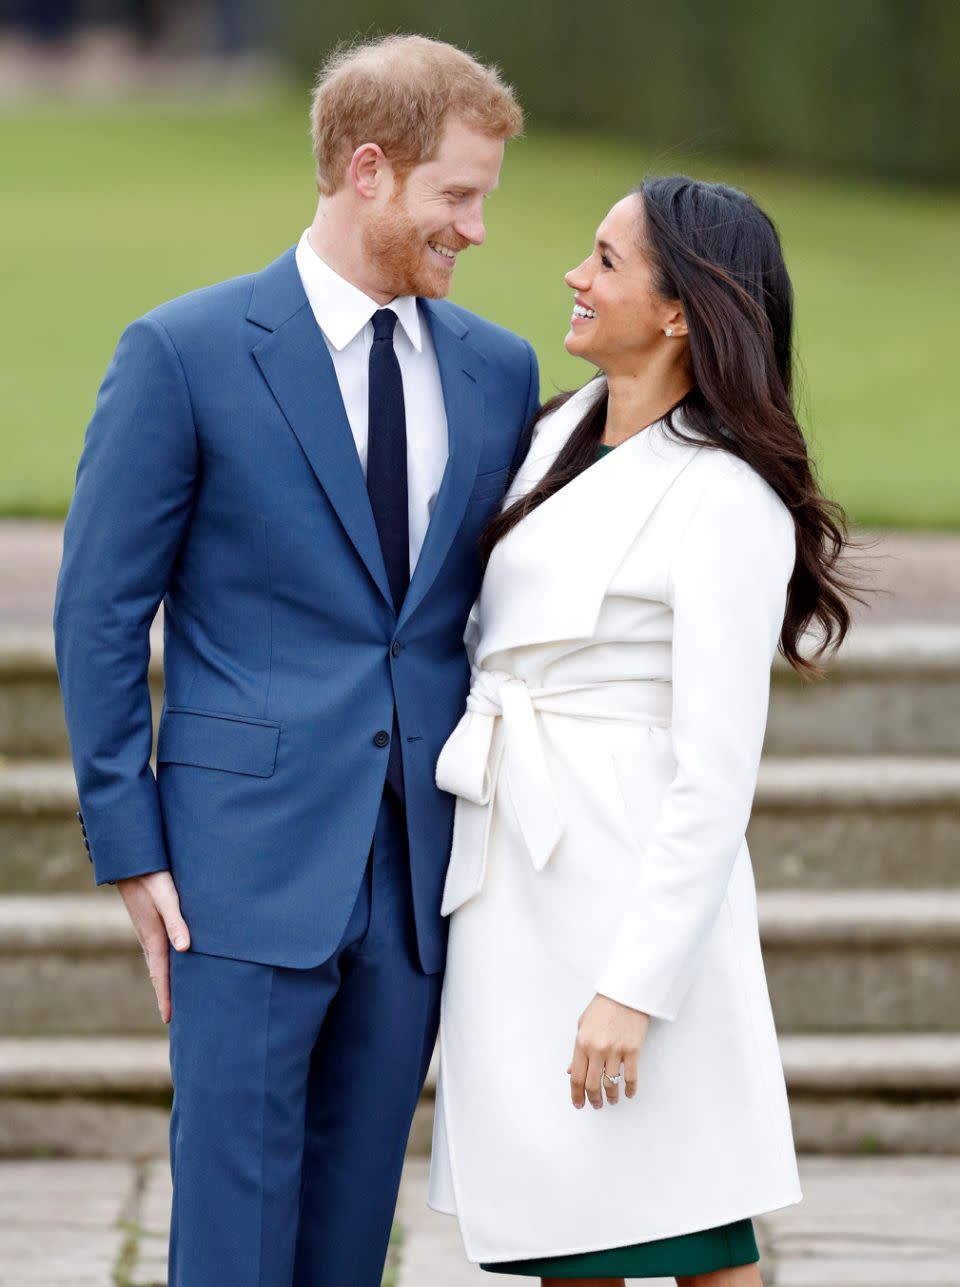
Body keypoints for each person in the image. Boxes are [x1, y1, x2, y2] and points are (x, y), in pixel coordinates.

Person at [53, 34, 537, 1287]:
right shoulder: (185, 352)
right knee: (231, 1221)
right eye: (459, 195)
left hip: (416, 865)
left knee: (352, 1227)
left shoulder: (498, 370)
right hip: (236, 861)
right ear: (368, 171)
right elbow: (101, 609)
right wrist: (131, 842)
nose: (477, 228)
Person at [429, 175, 856, 1285]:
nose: (575, 275)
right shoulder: (548, 433)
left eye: (608, 262)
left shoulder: (725, 495)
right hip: (515, 870)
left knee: (689, 1219)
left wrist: (635, 987)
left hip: (626, 886)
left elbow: (716, 775)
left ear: (681, 310)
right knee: (567, 1229)